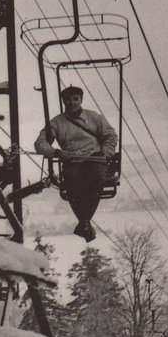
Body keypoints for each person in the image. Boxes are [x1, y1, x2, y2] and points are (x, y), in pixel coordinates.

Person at [34, 85, 117, 242]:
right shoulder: (57, 123)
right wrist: (57, 153)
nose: (72, 103)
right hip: (73, 160)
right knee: (72, 180)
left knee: (98, 176)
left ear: (81, 100)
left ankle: (84, 221)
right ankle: (85, 222)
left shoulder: (94, 118)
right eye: (68, 100)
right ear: (63, 101)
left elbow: (111, 136)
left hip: (94, 157)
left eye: (75, 99)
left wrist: (106, 153)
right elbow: (40, 144)